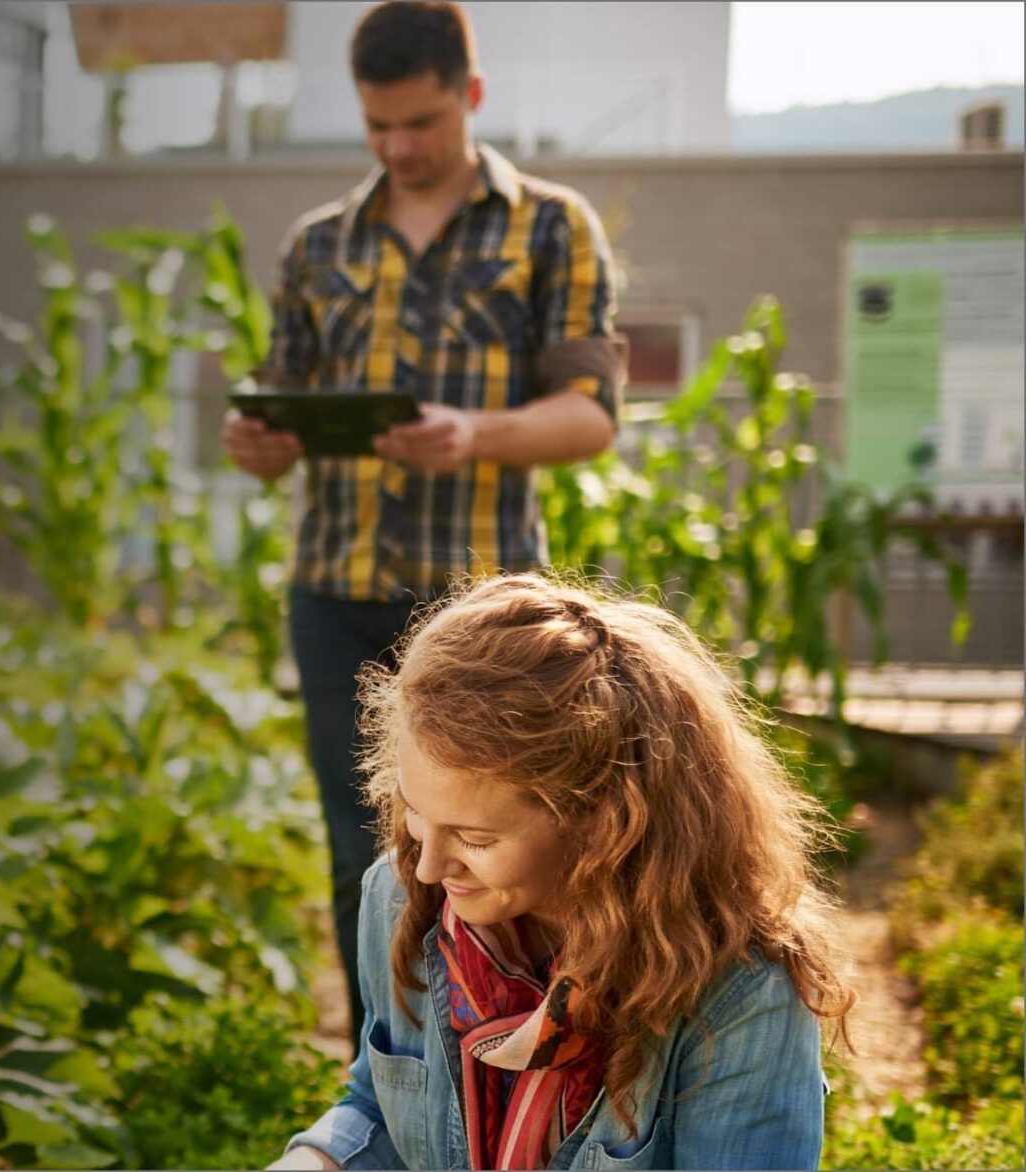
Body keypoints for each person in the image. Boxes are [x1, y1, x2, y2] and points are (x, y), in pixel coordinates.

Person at [220, 0, 626, 1040]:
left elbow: (589, 418)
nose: (399, 147)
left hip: (479, 604)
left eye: (422, 124)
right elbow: (281, 399)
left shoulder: (549, 226)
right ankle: (387, 1077)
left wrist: (474, 432)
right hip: (333, 591)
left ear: (470, 97)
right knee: (359, 848)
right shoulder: (316, 246)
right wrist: (260, 441)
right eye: (378, 127)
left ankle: (512, 1055)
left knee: (500, 844)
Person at [272, 573, 852, 1170]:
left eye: (476, 838)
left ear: (603, 825)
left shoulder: (742, 992)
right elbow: (379, 1109)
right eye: (415, 814)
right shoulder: (395, 897)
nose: (427, 868)